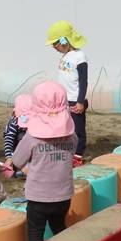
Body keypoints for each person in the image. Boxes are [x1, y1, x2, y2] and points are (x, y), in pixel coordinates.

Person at [9, 82, 76, 241]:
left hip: (38, 199)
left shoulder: (31, 137)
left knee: (35, 233)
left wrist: (13, 163)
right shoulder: (72, 136)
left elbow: (17, 161)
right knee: (59, 227)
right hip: (63, 197)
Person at [47, 20, 89, 165]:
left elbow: (84, 81)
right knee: (66, 129)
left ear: (64, 40)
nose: (53, 47)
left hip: (75, 100)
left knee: (78, 131)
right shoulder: (65, 57)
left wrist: (80, 101)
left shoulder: (80, 57)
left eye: (55, 43)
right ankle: (68, 153)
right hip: (64, 100)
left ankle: (77, 156)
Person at [2, 94, 33, 168]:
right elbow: (8, 140)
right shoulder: (14, 123)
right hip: (16, 142)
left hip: (28, 143)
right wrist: (9, 157)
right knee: (21, 137)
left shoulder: (34, 120)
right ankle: (17, 160)